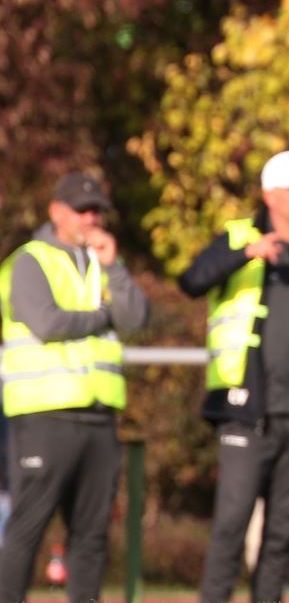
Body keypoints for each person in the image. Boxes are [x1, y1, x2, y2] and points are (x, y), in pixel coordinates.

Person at [179, 150, 289, 603]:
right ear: (270, 195)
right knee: (231, 525)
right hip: (247, 410)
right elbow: (192, 280)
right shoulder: (239, 236)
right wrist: (248, 253)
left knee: (281, 536)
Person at [0, 171, 148, 603]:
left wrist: (115, 268)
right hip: (45, 415)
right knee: (27, 528)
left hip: (99, 416)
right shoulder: (29, 260)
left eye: (97, 210)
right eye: (82, 210)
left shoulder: (104, 263)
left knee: (91, 537)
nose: (91, 218)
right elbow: (48, 323)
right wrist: (105, 315)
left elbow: (136, 319)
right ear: (56, 211)